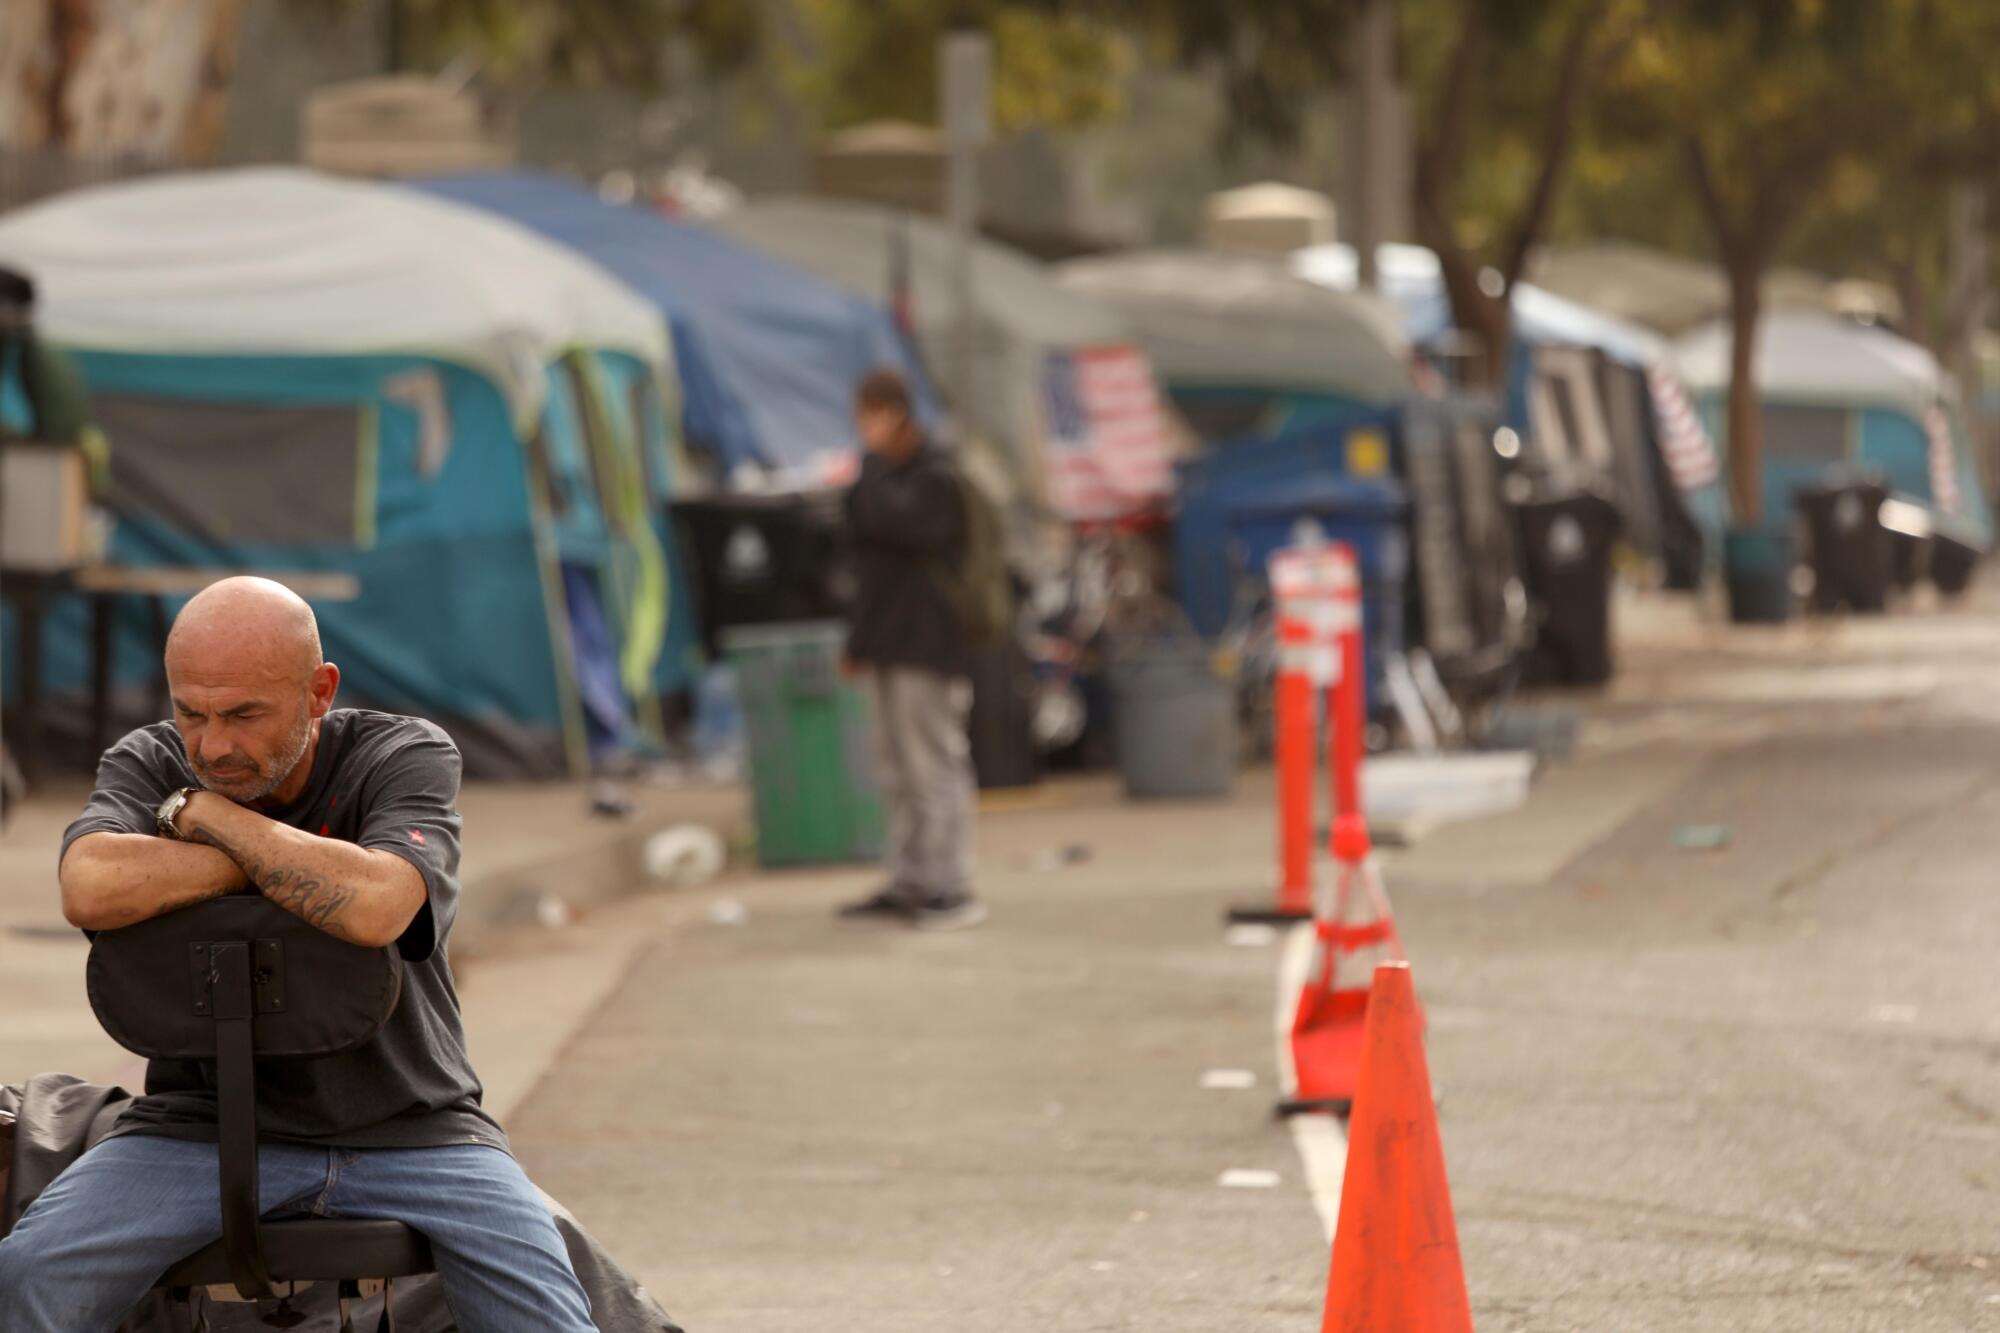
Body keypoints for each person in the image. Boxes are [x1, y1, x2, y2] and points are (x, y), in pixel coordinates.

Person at [0, 578, 598, 1333]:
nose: (214, 746)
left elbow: (380, 904)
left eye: (245, 714)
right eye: (192, 712)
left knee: (547, 1311)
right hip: (196, 1128)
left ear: (319, 691)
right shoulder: (150, 760)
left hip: (413, 1126)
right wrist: (300, 863)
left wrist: (204, 817)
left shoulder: (401, 754)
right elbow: (87, 884)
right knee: (26, 1277)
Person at [838, 368, 986, 930]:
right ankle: (909, 878)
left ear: (895, 413)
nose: (864, 430)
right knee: (894, 770)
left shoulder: (936, 476)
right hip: (884, 645)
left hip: (930, 646)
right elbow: (862, 548)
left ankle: (950, 885)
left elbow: (897, 525)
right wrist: (858, 644)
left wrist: (872, 465)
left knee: (933, 765)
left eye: (870, 416)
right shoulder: (880, 476)